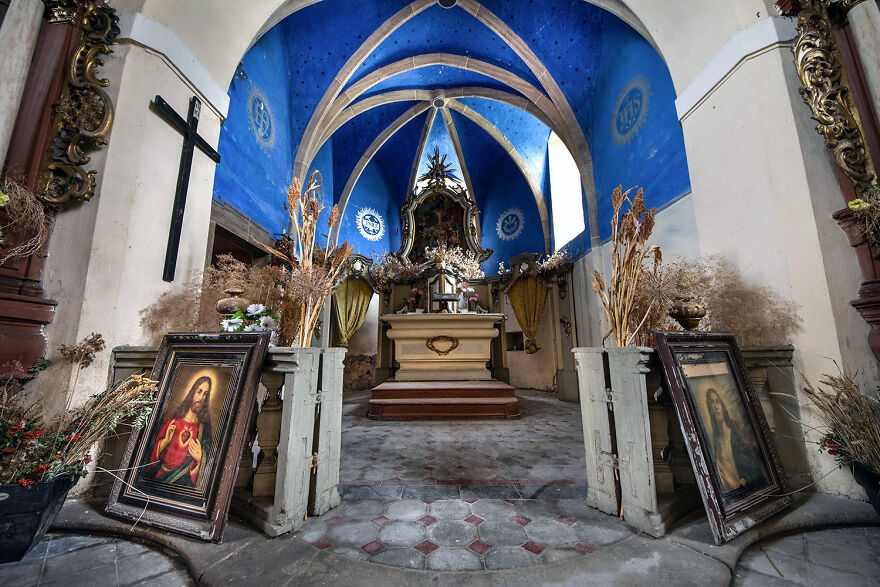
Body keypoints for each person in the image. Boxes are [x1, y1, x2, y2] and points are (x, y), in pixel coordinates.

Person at [146, 375, 213, 486]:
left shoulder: (203, 430)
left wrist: (200, 458)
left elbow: (210, 458)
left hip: (183, 482)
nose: (201, 398)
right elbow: (151, 457)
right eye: (199, 392)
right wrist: (165, 441)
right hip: (160, 477)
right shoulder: (173, 423)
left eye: (205, 394)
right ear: (192, 393)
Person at [704, 387, 764, 492]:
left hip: (747, 488)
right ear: (710, 409)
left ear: (722, 405)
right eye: (712, 403)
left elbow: (754, 467)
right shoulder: (715, 441)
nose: (716, 406)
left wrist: (739, 483)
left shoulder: (736, 433)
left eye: (717, 401)